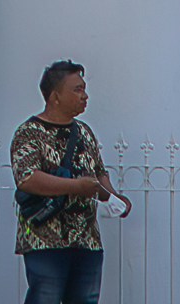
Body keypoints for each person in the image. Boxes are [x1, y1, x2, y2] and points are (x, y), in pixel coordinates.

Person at [8, 60, 121, 304]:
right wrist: (76, 187)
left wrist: (113, 197)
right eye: (77, 90)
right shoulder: (29, 132)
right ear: (55, 96)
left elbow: (99, 172)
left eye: (84, 89)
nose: (85, 96)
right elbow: (27, 178)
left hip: (87, 242)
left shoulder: (84, 132)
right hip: (45, 242)